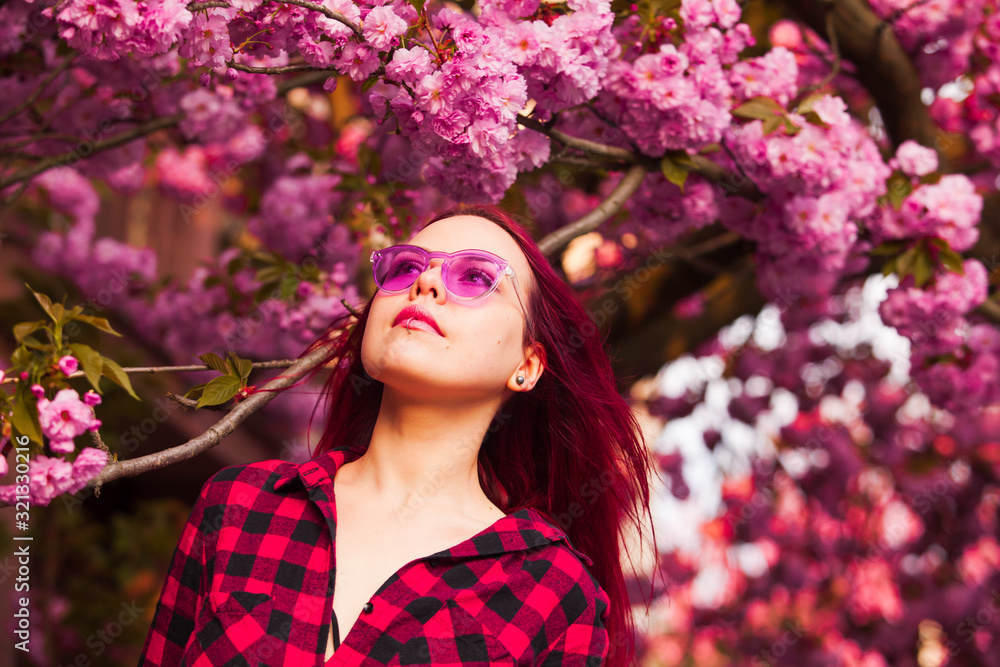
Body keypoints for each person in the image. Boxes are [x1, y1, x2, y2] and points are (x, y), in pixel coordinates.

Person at [137, 204, 657, 667]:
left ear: (526, 365)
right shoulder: (242, 506)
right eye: (405, 266)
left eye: (475, 277)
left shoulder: (552, 592)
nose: (425, 284)